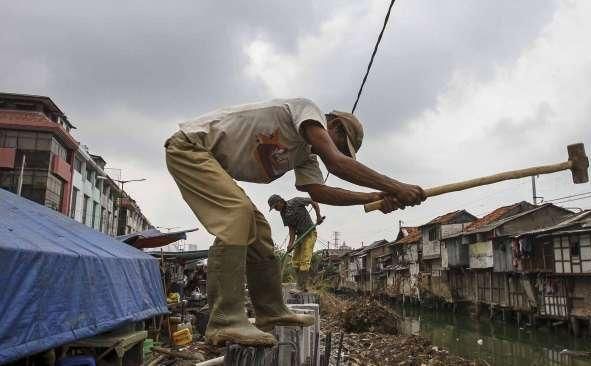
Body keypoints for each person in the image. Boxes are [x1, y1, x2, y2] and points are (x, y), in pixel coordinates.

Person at [165, 98, 425, 347]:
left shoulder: (305, 156)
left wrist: (375, 197)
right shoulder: (306, 110)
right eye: (340, 146)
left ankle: (271, 311)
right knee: (237, 214)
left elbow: (319, 193)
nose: (334, 153)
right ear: (332, 126)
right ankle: (224, 320)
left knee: (259, 231)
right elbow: (336, 164)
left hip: (210, 161)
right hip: (189, 148)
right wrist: (397, 186)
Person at [268, 194, 323, 291]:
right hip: (300, 236)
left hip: (309, 233)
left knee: (305, 260)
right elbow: (291, 229)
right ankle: (303, 285)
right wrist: (290, 243)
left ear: (280, 201)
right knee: (295, 261)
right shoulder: (283, 214)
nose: (276, 209)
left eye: (276, 206)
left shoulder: (296, 201)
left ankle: (300, 287)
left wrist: (318, 216)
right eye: (274, 208)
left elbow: (313, 201)